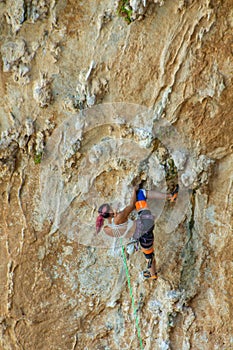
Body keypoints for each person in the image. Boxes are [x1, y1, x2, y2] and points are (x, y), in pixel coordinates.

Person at [96, 184, 179, 280]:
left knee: (149, 255)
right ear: (111, 211)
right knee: (140, 194)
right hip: (146, 222)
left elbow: (121, 231)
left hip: (142, 237)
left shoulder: (107, 229)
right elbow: (131, 205)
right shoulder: (119, 217)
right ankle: (171, 196)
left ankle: (153, 275)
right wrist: (133, 191)